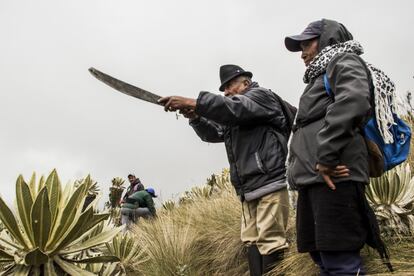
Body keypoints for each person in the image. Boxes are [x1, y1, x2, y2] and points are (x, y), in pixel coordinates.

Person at [158, 64, 290, 275]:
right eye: (224, 89)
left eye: (230, 86)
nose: (226, 92)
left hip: (269, 182)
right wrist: (195, 117)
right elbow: (214, 133)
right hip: (248, 188)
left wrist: (196, 102)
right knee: (252, 241)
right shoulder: (237, 114)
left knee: (271, 241)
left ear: (246, 82)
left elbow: (235, 107)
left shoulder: (260, 97)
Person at [285, 19, 390, 275]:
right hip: (316, 179)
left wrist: (327, 156)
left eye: (307, 43)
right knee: (323, 257)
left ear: (327, 40)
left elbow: (353, 100)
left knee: (340, 261)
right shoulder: (320, 75)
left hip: (334, 177)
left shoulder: (343, 60)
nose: (302, 54)